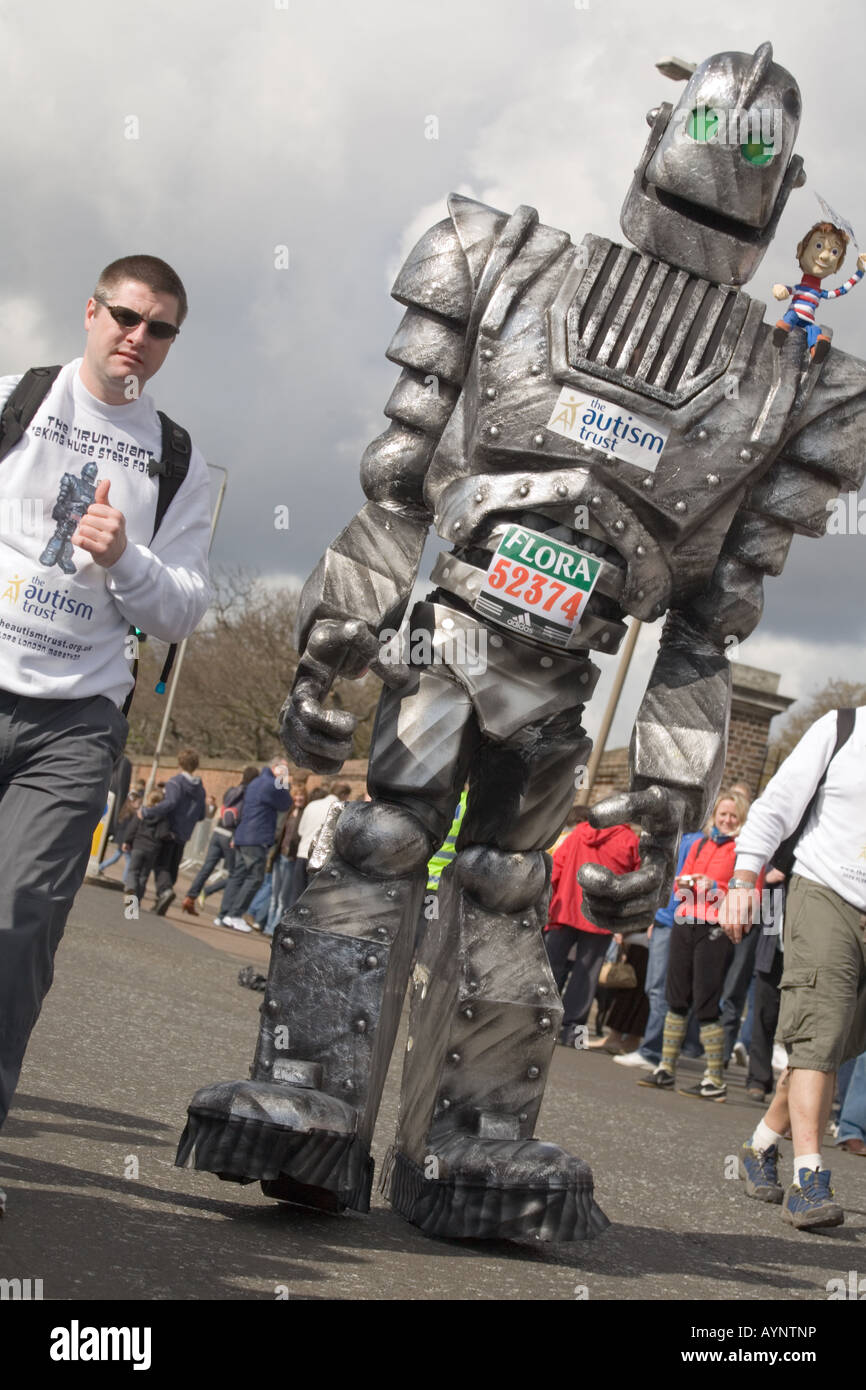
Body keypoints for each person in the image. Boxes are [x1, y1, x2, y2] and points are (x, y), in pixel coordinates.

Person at [0, 254, 212, 1179]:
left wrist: (127, 557)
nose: (137, 337)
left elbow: (181, 611)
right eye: (124, 316)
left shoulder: (177, 459)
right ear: (89, 311)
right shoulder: (18, 399)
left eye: (158, 327)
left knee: (17, 924)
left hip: (74, 720)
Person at [724, 707, 866, 1229]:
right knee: (819, 1032)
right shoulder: (843, 728)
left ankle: (760, 1146)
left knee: (826, 1046)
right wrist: (743, 881)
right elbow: (776, 807)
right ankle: (808, 1179)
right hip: (825, 891)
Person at [640, 790, 757, 1101]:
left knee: (706, 1001)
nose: (727, 820)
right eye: (723, 815)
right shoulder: (702, 843)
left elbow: (751, 893)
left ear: (742, 818)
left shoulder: (745, 852)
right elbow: (680, 879)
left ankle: (715, 1079)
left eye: (733, 815)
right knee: (675, 997)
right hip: (685, 921)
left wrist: (715, 887)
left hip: (716, 927)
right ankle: (665, 1067)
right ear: (715, 817)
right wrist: (687, 882)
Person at [543, 811, 640, 1048]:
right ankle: (571, 1033)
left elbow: (557, 867)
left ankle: (539, 1021)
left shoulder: (579, 832)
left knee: (549, 968)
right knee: (586, 975)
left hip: (565, 908)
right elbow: (632, 885)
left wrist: (548, 901)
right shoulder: (630, 841)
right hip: (600, 917)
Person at [216, 757, 293, 933]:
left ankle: (224, 915)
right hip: (257, 836)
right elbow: (286, 803)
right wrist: (284, 783)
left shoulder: (257, 781)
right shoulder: (271, 784)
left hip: (244, 834)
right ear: (274, 767)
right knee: (255, 877)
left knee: (238, 875)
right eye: (283, 769)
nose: (285, 773)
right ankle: (235, 915)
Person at [181, 765, 259, 915]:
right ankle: (219, 905)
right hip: (231, 835)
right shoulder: (250, 795)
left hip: (218, 831)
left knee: (206, 868)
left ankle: (189, 898)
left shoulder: (232, 790)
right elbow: (244, 818)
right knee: (235, 873)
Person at [139, 748, 207, 915]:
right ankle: (162, 898)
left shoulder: (176, 782)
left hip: (169, 829)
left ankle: (164, 892)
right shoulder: (200, 789)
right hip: (184, 833)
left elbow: (170, 803)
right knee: (172, 866)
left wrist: (148, 812)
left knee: (161, 864)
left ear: (179, 763)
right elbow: (202, 815)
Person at [292, 782, 352, 902]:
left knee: (296, 897)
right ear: (344, 795)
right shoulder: (342, 809)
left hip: (302, 854)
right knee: (311, 900)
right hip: (320, 859)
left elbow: (300, 831)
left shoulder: (312, 804)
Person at [124, 790, 174, 906]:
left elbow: (132, 828)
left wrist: (127, 841)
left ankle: (131, 888)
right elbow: (163, 834)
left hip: (138, 846)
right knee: (143, 876)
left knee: (133, 871)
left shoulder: (142, 812)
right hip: (152, 849)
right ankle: (137, 901)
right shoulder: (163, 817)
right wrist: (171, 836)